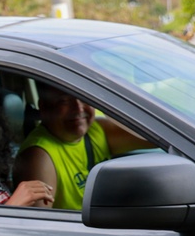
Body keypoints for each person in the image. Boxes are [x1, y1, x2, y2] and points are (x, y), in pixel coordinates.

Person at [14, 84, 152, 210]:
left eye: (85, 98)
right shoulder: (39, 156)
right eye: (65, 101)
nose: (79, 108)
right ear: (44, 107)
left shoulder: (96, 130)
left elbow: (157, 136)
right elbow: (39, 224)